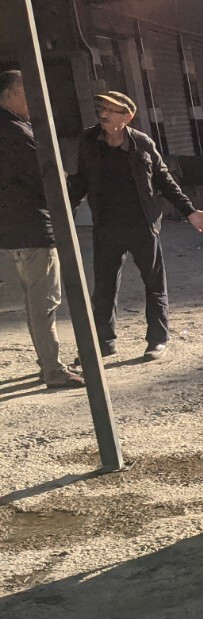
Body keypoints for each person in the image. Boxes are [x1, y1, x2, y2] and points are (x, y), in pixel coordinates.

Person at [68, 90, 203, 361]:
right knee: (104, 288)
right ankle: (103, 343)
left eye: (111, 110)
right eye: (102, 108)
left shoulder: (142, 144)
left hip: (142, 226)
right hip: (107, 226)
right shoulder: (89, 140)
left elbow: (164, 181)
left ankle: (157, 341)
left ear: (127, 116)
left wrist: (190, 211)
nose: (104, 114)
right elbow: (80, 180)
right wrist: (65, 212)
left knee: (154, 284)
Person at [0, 71, 83, 389]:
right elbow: (45, 177)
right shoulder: (15, 132)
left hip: (19, 228)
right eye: (28, 93)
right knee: (44, 301)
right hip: (34, 227)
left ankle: (48, 364)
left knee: (37, 299)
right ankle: (52, 368)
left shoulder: (11, 129)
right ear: (10, 94)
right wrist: (69, 185)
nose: (35, 101)